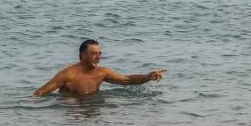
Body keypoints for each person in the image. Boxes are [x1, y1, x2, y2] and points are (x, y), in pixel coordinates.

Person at [34, 39, 165, 97]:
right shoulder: (67, 75)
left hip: (93, 106)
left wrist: (148, 77)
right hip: (72, 112)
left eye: (100, 53)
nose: (98, 57)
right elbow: (40, 93)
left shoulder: (102, 72)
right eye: (94, 53)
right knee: (70, 103)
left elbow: (127, 80)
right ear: (82, 55)